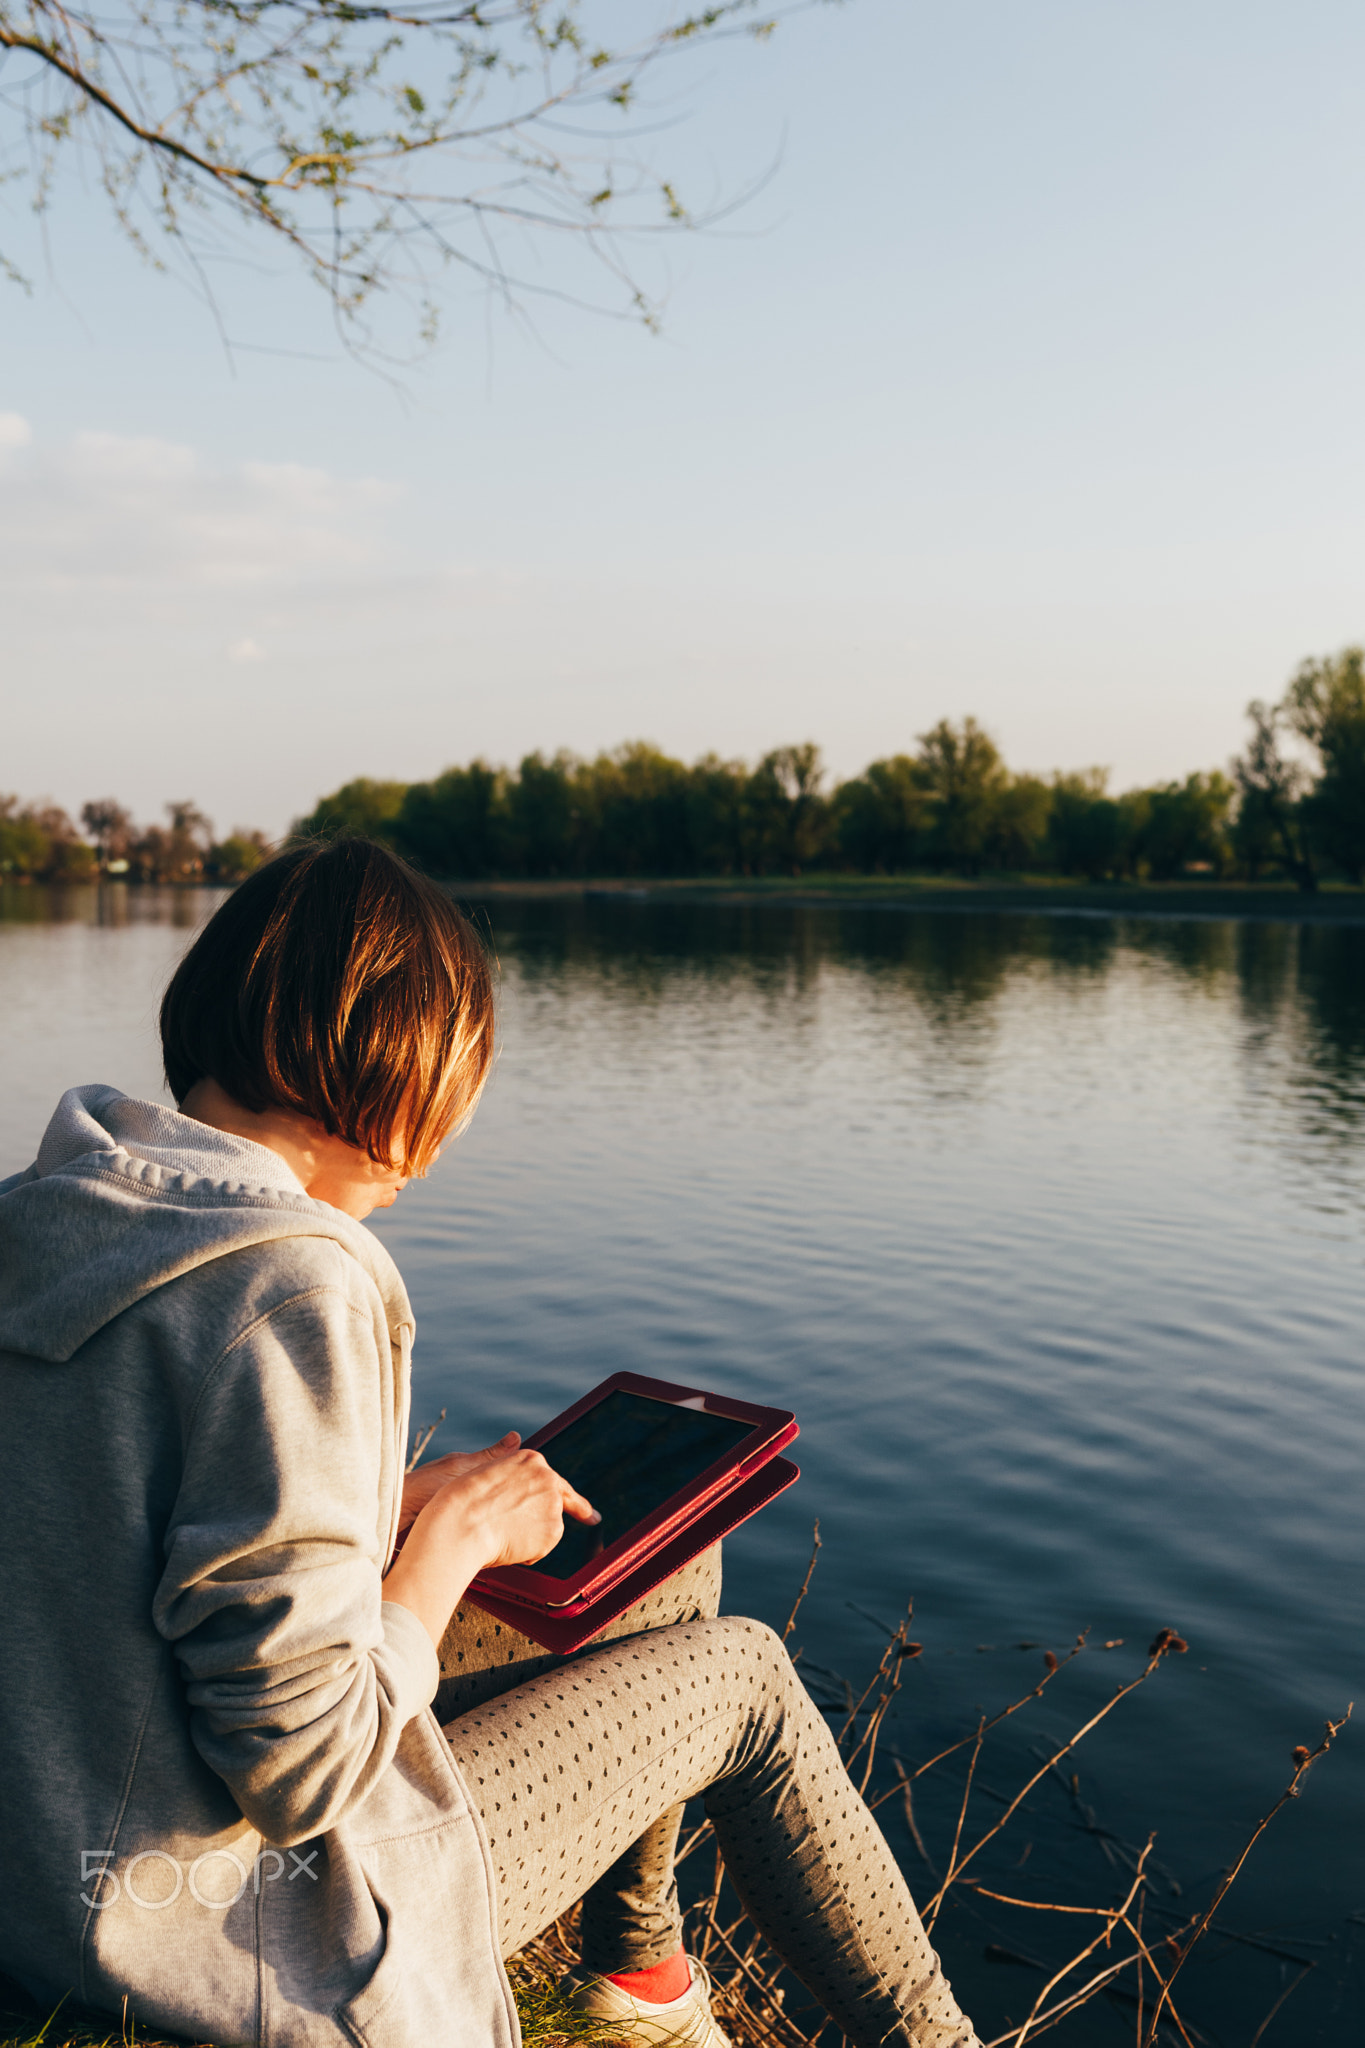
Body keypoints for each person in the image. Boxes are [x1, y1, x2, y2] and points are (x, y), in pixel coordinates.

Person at [0, 838, 980, 2048]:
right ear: (389, 1060)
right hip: (226, 1934)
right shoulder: (292, 1283)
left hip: (48, 1867)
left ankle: (637, 1980)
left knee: (666, 1564)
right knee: (751, 1683)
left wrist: (382, 1505)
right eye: (459, 1077)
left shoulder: (54, 1217)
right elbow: (301, 1767)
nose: (455, 1127)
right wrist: (448, 1541)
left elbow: (111, 1529)